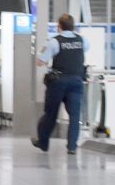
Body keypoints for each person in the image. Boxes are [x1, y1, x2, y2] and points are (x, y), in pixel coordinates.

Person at [31, 13, 88, 155]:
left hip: (58, 82)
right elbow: (82, 52)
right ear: (73, 26)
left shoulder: (54, 42)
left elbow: (40, 62)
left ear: (59, 26)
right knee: (75, 116)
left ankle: (43, 143)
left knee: (51, 113)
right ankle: (72, 147)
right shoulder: (82, 40)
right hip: (76, 81)